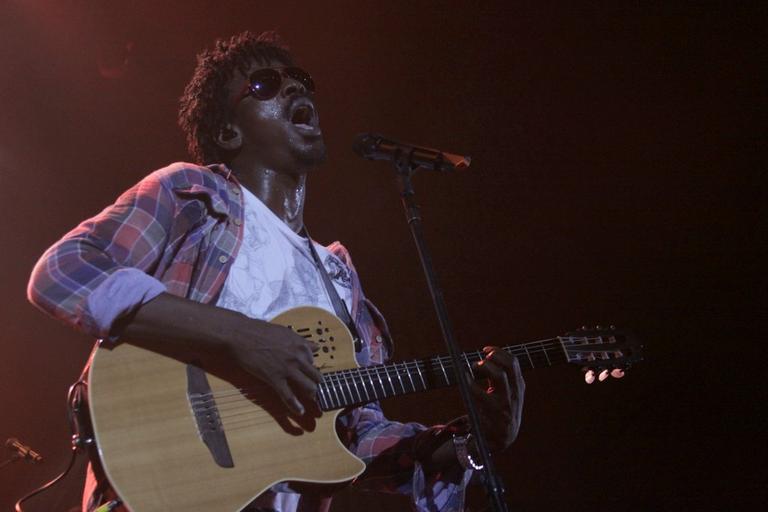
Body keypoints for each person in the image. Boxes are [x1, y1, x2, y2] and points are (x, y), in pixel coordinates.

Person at [27, 31, 525, 512]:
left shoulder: (339, 281)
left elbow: (358, 440)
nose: (295, 87)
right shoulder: (193, 196)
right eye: (266, 84)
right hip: (158, 488)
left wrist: (470, 442)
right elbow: (63, 273)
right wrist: (241, 338)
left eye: (301, 79)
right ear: (229, 131)